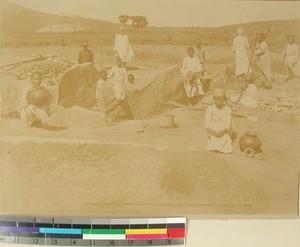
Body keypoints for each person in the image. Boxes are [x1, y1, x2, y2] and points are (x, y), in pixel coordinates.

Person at [205, 89, 233, 154]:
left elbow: (228, 122)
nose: (219, 101)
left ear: (224, 100)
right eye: (217, 99)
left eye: (221, 99)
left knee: (224, 139)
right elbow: (207, 121)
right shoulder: (210, 108)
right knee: (214, 138)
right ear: (214, 99)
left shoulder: (227, 109)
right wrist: (211, 130)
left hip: (224, 128)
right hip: (213, 127)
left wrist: (223, 131)